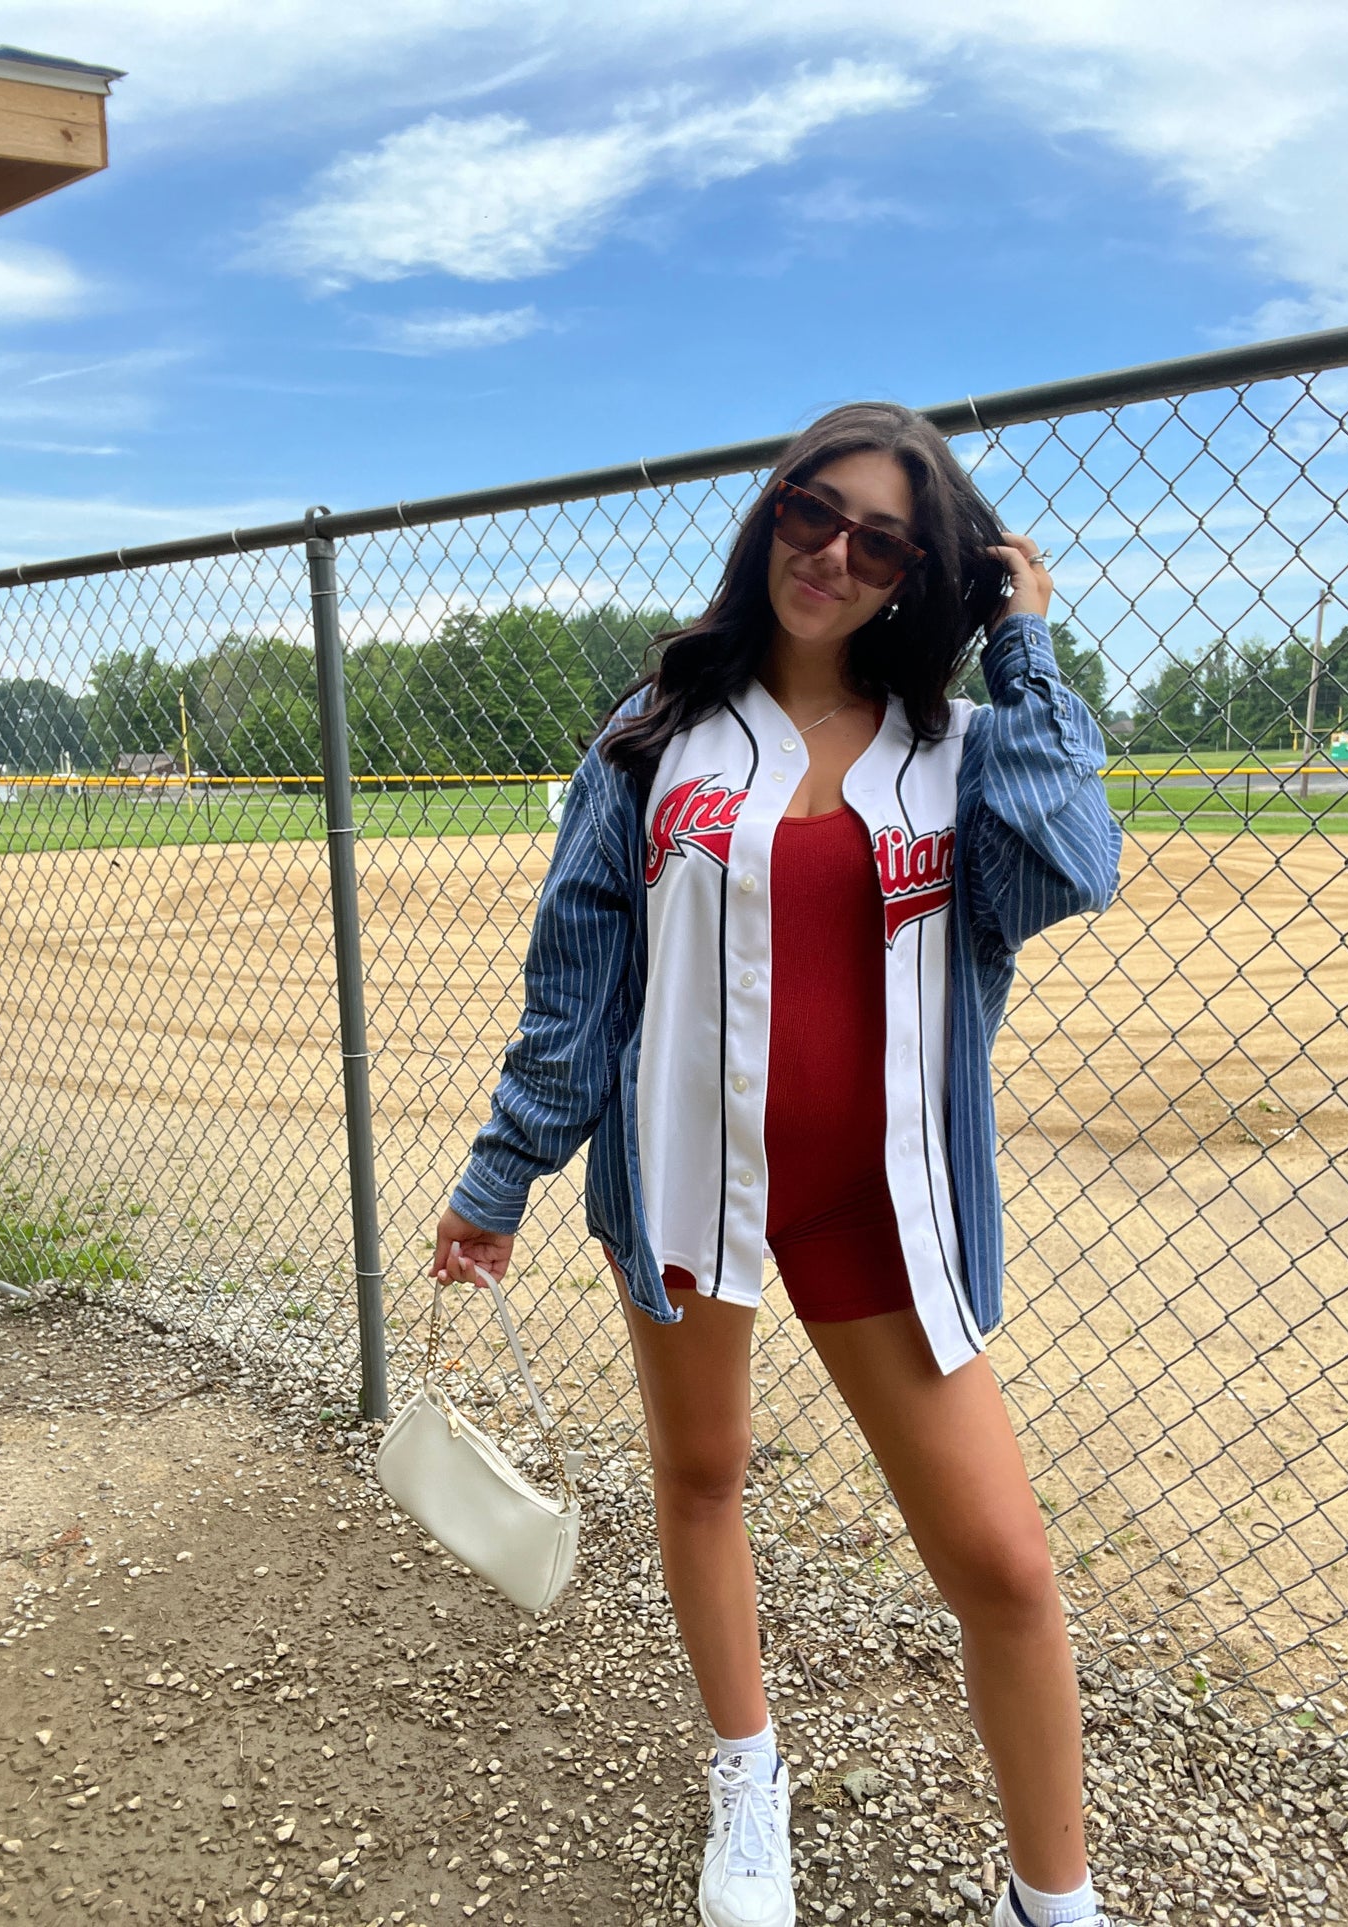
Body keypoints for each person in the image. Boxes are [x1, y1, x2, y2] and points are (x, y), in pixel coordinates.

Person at [431, 401, 1124, 1927]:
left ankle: (1050, 1904)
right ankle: (746, 1779)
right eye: (814, 511)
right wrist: (500, 1179)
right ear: (771, 513)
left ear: (921, 572)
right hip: (682, 1188)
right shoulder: (655, 732)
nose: (835, 552)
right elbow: (578, 985)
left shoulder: (960, 751)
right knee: (701, 1475)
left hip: (882, 1207)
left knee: (1003, 1563)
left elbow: (1073, 869)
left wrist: (1021, 646)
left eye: (884, 538)